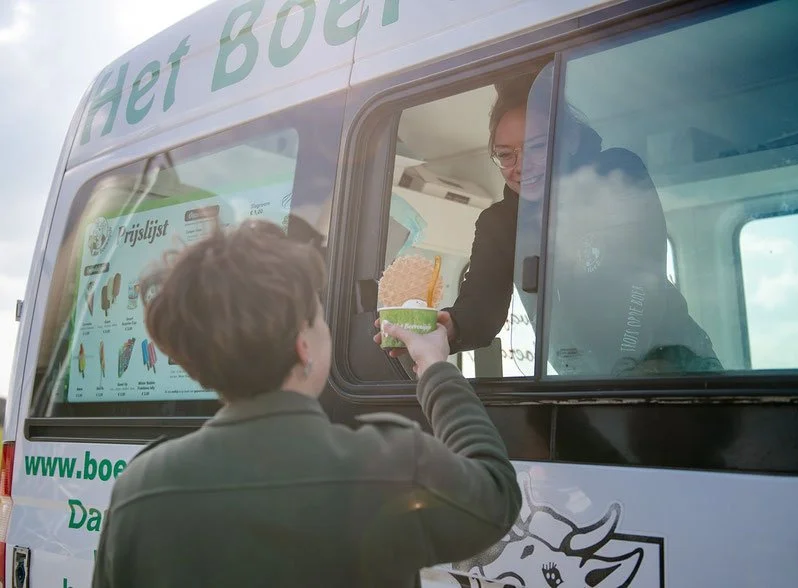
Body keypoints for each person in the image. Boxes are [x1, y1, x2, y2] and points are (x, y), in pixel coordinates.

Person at [92, 217, 522, 588]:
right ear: (303, 345)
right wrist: (433, 367)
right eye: (319, 317)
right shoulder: (386, 464)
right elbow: (495, 495)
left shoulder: (139, 490)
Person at [436, 67, 721, 375]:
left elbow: (643, 282)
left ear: (568, 139)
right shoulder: (500, 223)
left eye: (537, 148)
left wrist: (622, 366)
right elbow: (481, 309)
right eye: (506, 155)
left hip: (674, 360)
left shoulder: (617, 173)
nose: (521, 167)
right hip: (588, 377)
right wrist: (447, 328)